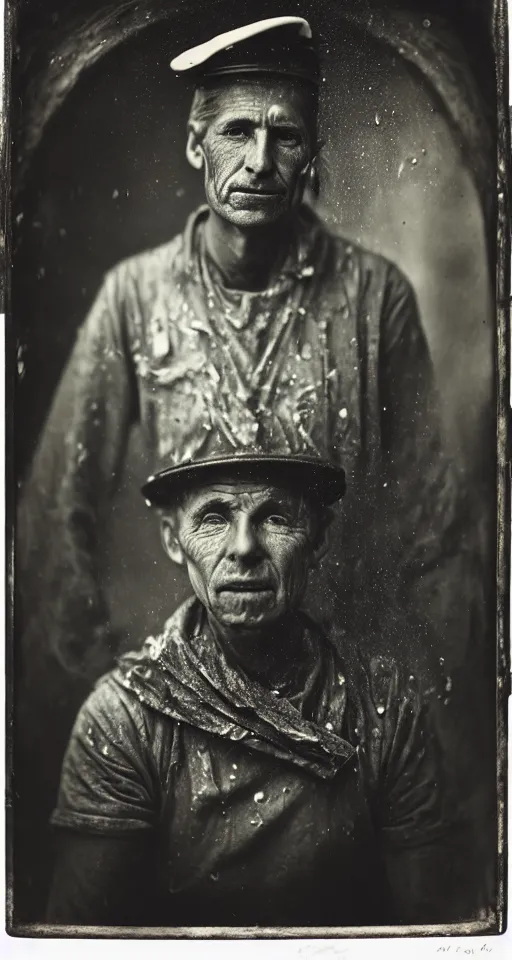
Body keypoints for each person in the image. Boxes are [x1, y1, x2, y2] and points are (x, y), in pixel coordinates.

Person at [18, 15, 473, 683]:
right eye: (237, 131)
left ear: (312, 154)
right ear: (195, 144)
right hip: (182, 704)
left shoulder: (377, 298)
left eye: (285, 135)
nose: (260, 161)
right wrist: (122, 697)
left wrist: (401, 710)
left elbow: (435, 538)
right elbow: (53, 524)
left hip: (340, 704)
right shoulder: (135, 298)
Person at [46, 436, 470, 927]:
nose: (243, 547)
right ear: (171, 538)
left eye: (275, 517)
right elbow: (83, 943)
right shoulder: (122, 718)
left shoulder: (385, 704)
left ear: (318, 539)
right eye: (213, 518)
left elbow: (436, 932)